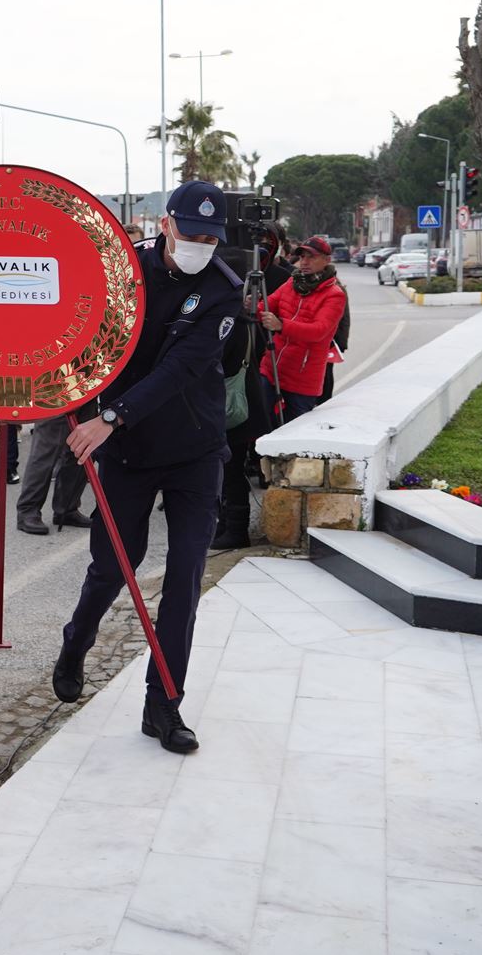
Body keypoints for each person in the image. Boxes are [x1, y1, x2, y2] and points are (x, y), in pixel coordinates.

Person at [52, 181, 245, 755]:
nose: (202, 244)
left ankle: (163, 705)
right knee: (113, 567)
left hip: (194, 451)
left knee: (185, 579)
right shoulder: (121, 272)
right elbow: (77, 331)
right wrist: (75, 399)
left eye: (213, 237)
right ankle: (76, 641)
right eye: (192, 232)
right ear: (166, 224)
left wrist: (109, 416)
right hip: (129, 457)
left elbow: (182, 369)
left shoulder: (222, 292)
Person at [214, 222, 291, 550]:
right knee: (227, 473)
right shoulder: (243, 316)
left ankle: (235, 530)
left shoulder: (229, 320)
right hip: (245, 404)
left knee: (230, 474)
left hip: (234, 407)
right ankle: (226, 527)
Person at [258, 236, 346, 424]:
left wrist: (281, 325)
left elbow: (318, 331)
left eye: (311, 257)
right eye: (302, 256)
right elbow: (268, 304)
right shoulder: (292, 282)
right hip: (272, 368)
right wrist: (254, 306)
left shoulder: (334, 294)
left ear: (327, 260)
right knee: (263, 425)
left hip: (302, 378)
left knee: (294, 435)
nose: (304, 262)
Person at [15, 414, 90, 535]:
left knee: (80, 447)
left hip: (87, 396)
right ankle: (28, 510)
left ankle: (67, 509)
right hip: (55, 396)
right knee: (45, 448)